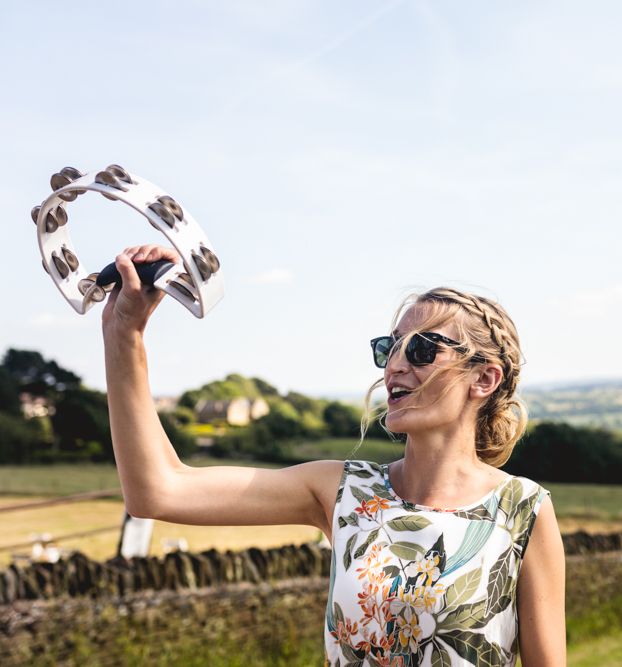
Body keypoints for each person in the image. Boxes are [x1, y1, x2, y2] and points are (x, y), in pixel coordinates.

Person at [103, 244, 566, 667]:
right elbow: (157, 492)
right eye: (389, 348)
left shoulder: (522, 511)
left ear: (483, 380)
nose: (396, 365)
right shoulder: (343, 491)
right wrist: (124, 333)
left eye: (423, 349)